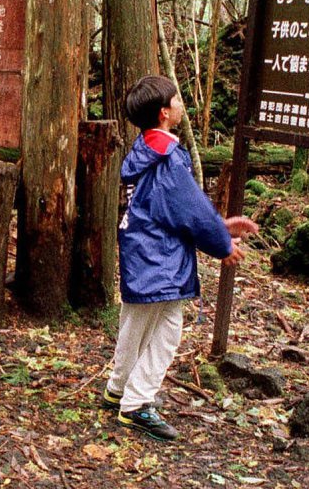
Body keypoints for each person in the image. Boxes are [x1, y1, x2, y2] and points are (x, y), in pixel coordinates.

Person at [105, 75, 259, 441]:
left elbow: (169, 206)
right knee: (167, 330)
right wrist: (222, 242)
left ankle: (118, 388)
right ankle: (137, 404)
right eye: (176, 99)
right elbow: (189, 209)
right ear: (164, 113)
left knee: (135, 322)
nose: (181, 103)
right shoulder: (169, 158)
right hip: (159, 257)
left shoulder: (145, 149)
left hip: (141, 251)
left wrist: (220, 225)